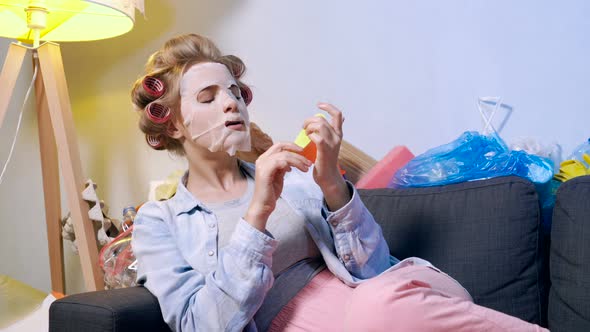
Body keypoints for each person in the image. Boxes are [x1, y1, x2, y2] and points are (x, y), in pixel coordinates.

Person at [130, 33, 548, 332]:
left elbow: (374, 267)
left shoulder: (292, 180)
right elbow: (200, 325)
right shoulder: (159, 222)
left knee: (377, 303)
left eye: (236, 92)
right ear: (175, 125)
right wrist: (257, 213)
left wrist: (331, 183)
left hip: (395, 309)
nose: (231, 102)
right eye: (208, 97)